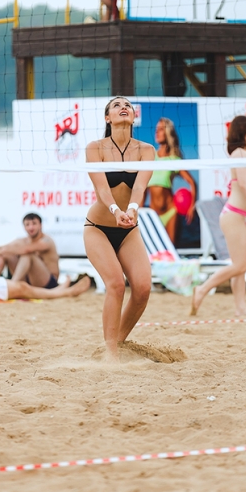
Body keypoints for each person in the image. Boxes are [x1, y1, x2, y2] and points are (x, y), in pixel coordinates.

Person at [84, 96, 155, 361]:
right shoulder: (95, 148)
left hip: (128, 227)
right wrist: (116, 211)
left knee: (143, 289)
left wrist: (132, 210)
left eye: (127, 105)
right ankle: (110, 352)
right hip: (98, 227)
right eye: (116, 105)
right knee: (115, 285)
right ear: (107, 118)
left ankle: (118, 341)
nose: (123, 107)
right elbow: (101, 187)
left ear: (133, 117)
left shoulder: (146, 149)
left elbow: (139, 187)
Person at [191, 116, 246, 317]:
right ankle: (202, 289)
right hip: (234, 215)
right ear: (243, 132)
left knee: (241, 266)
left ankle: (240, 307)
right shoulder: (239, 153)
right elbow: (243, 184)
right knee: (239, 265)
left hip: (242, 216)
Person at [145, 118, 197, 245]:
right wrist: (139, 210)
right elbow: (143, 189)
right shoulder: (150, 157)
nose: (157, 132)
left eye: (161, 129)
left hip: (171, 212)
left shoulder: (174, 159)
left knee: (171, 253)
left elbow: (192, 182)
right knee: (154, 252)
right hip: (152, 214)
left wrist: (191, 207)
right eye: (156, 129)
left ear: (168, 133)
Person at [0, 213, 60, 289]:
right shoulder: (23, 240)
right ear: (24, 227)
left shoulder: (46, 240)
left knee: (28, 255)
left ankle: (11, 286)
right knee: (6, 254)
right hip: (29, 280)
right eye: (27, 225)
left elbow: (26, 249)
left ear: (40, 225)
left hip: (49, 282)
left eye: (34, 224)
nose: (31, 227)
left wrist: (1, 251)